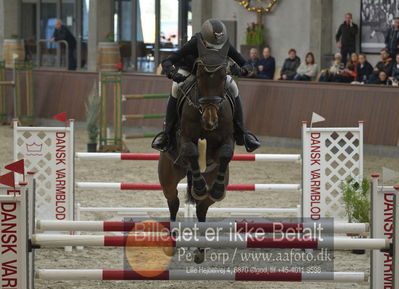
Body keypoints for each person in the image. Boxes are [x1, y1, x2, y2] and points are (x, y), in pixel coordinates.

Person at [152, 19, 260, 153]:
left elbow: (247, 64)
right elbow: (168, 60)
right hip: (191, 72)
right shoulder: (194, 42)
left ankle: (242, 132)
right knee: (175, 88)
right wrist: (172, 73)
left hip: (215, 77)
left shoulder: (224, 44)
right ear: (204, 39)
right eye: (211, 45)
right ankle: (167, 134)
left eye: (217, 46)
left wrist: (242, 70)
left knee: (234, 87)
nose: (215, 49)